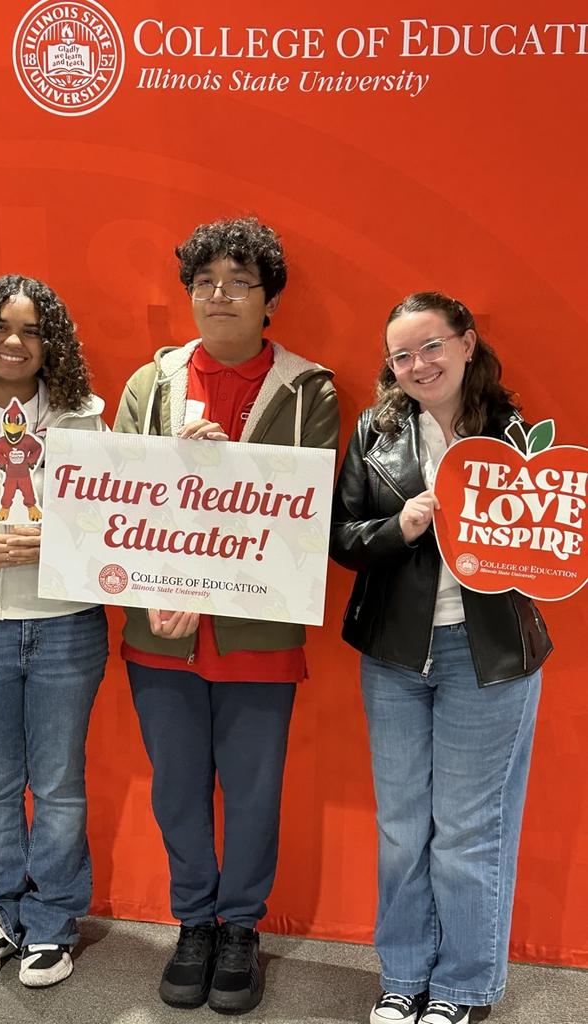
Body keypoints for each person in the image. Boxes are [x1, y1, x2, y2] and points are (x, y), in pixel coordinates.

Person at [114, 217, 339, 1014]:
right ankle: (194, 923)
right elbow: (117, 502)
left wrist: (220, 469)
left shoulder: (310, 389)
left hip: (258, 633)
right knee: (177, 789)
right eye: (205, 282)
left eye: (239, 282)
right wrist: (155, 589)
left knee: (251, 791)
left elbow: (302, 516)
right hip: (160, 631)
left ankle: (239, 926)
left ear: (268, 297)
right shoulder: (153, 383)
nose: (219, 296)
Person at [330, 292, 552, 1024]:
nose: (418, 364)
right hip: (395, 655)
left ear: (465, 342)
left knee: (466, 830)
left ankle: (460, 988)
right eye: (401, 354)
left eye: (431, 346)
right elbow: (341, 539)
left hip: (487, 656)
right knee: (400, 828)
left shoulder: (515, 434)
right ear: (390, 366)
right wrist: (402, 525)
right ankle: (402, 976)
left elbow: (552, 545)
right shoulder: (375, 429)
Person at [0, 275, 108, 988]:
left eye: (31, 329)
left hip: (67, 627)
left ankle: (52, 922)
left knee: (62, 781)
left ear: (52, 343)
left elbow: (121, 520)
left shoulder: (85, 419)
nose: (14, 342)